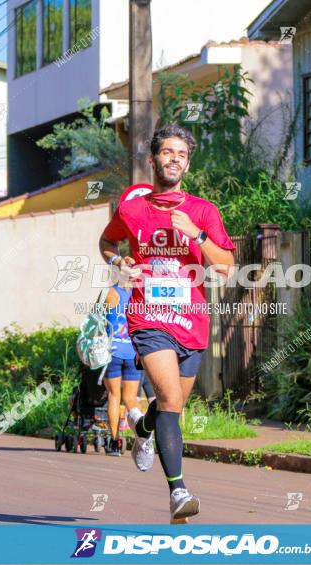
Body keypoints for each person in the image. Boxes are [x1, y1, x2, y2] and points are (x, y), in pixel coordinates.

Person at [99, 124, 235, 521]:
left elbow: (226, 267)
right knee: (172, 401)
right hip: (148, 318)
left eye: (181, 154)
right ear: (153, 158)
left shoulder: (203, 211)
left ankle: (142, 430)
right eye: (167, 152)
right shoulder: (131, 209)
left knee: (170, 403)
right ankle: (179, 493)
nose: (174, 158)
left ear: (187, 164)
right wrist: (118, 261)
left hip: (191, 321)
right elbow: (107, 243)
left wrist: (197, 236)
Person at [102, 284, 143, 456]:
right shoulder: (140, 294)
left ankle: (115, 442)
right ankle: (142, 440)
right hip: (133, 351)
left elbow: (97, 319)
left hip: (113, 351)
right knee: (131, 398)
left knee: (114, 396)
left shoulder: (111, 292)